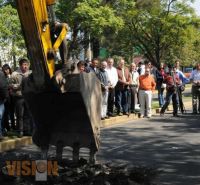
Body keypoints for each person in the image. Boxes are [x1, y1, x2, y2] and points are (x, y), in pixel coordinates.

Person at [10, 58, 32, 137]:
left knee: (28, 114)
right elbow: (10, 85)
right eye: (24, 65)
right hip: (19, 97)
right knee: (20, 115)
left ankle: (28, 130)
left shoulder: (31, 73)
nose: (25, 66)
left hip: (29, 97)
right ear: (20, 65)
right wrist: (18, 86)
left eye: (26, 65)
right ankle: (20, 131)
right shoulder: (14, 74)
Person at [2, 64, 15, 131]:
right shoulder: (3, 77)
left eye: (7, 69)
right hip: (6, 97)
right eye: (5, 70)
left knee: (12, 112)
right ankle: (7, 127)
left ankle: (13, 125)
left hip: (13, 97)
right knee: (6, 113)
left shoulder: (12, 76)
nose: (6, 71)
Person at [0, 70, 8, 140]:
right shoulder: (0, 73)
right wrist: (5, 97)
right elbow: (3, 86)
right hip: (0, 99)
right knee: (0, 116)